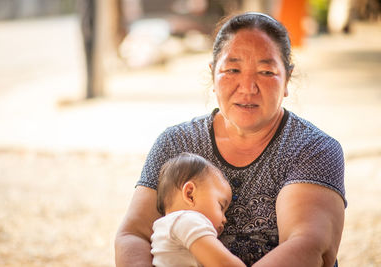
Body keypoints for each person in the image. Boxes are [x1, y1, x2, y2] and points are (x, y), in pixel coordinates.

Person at [115, 12, 346, 267]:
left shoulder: (312, 149)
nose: (247, 87)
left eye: (266, 72)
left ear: (287, 80)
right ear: (213, 74)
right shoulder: (175, 144)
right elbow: (133, 234)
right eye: (232, 70)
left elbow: (308, 245)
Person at [151, 152, 246, 267]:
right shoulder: (187, 221)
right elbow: (224, 263)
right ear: (190, 194)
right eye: (221, 206)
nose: (225, 220)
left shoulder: (164, 227)